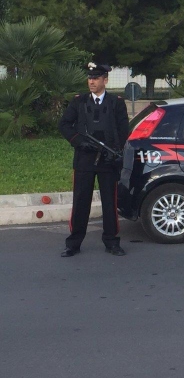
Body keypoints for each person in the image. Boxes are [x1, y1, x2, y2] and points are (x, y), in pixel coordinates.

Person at [58, 63, 129, 257]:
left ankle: (112, 242)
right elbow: (64, 124)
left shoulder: (116, 102)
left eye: (96, 78)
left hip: (107, 160)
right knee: (81, 202)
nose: (91, 81)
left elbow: (124, 130)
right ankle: (73, 244)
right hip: (84, 159)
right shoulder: (79, 102)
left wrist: (114, 151)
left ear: (105, 80)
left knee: (109, 203)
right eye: (89, 78)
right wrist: (79, 142)